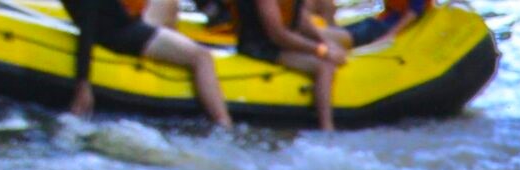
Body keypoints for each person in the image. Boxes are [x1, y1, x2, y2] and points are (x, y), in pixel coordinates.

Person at [66, 0, 233, 128]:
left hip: (124, 24)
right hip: (123, 35)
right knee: (202, 57)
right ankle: (223, 124)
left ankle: (172, 60)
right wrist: (83, 84)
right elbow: (87, 27)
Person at [228, 0, 342, 130]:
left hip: (278, 43)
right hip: (259, 46)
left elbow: (300, 21)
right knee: (323, 66)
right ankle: (326, 126)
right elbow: (278, 35)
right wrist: (322, 50)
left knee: (328, 58)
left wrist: (326, 43)